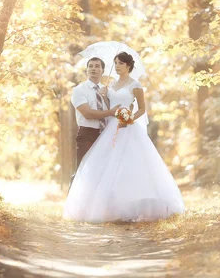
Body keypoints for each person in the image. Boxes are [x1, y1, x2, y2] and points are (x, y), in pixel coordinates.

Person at [64, 52, 185, 223]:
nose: (118, 66)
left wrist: (128, 119)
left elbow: (142, 109)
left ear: (128, 65)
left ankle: (133, 205)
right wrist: (105, 95)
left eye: (120, 63)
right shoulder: (109, 85)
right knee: (104, 168)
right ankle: (103, 208)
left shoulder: (135, 85)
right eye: (116, 63)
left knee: (128, 166)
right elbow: (104, 108)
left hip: (126, 127)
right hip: (109, 130)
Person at [70, 57, 119, 185]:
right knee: (83, 170)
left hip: (106, 134)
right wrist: (109, 112)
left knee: (104, 171)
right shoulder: (79, 90)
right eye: (90, 66)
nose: (93, 69)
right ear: (86, 70)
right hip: (87, 134)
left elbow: (116, 111)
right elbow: (87, 113)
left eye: (97, 66)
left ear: (102, 71)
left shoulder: (107, 91)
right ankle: (75, 203)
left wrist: (106, 97)